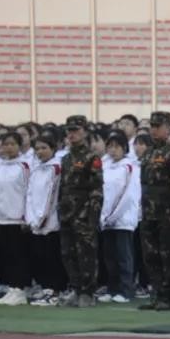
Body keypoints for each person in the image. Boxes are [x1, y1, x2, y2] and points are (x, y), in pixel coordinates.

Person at [138, 112, 170, 311]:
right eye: (152, 126)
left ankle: (167, 296)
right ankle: (156, 294)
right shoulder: (147, 153)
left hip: (166, 212)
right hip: (148, 211)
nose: (154, 130)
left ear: (168, 129)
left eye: (158, 126)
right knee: (150, 255)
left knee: (167, 255)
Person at [58, 122, 103, 307]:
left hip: (84, 212)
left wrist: (93, 215)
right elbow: (62, 186)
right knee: (68, 253)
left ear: (84, 132)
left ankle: (87, 292)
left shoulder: (91, 157)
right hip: (67, 212)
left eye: (76, 131)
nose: (72, 135)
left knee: (86, 253)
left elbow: (96, 189)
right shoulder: (66, 158)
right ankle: (76, 289)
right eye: (69, 131)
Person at [26, 133, 67, 305]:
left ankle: (56, 291)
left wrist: (42, 218)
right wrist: (30, 217)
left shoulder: (55, 168)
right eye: (37, 148)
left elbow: (51, 196)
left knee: (52, 257)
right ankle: (46, 288)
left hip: (50, 222)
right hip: (35, 222)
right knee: (40, 257)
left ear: (53, 149)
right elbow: (30, 194)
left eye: (44, 148)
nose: (40, 152)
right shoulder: (36, 169)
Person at [99, 132, 139, 304]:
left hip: (123, 218)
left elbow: (127, 194)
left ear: (124, 148)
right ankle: (112, 288)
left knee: (124, 256)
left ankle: (126, 289)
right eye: (110, 147)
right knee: (110, 257)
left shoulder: (129, 167)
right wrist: (103, 216)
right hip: (106, 220)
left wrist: (113, 215)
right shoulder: (105, 166)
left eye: (117, 147)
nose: (113, 150)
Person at [0, 132, 31, 306]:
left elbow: (28, 191)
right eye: (5, 144)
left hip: (17, 218)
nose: (8, 148)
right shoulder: (0, 166)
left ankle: (20, 289)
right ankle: (12, 288)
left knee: (18, 255)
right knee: (6, 255)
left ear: (19, 146)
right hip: (2, 218)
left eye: (12, 144)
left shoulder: (24, 166)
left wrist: (25, 216)